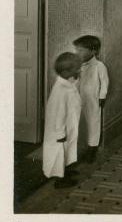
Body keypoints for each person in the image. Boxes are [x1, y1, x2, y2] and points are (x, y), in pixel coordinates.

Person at [43, 52, 82, 188]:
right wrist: (60, 134)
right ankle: (60, 180)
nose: (79, 71)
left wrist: (76, 78)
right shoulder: (60, 90)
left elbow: (73, 88)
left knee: (68, 149)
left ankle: (66, 169)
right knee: (59, 154)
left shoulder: (66, 83)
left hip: (68, 126)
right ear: (66, 72)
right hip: (59, 130)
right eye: (76, 69)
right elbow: (58, 114)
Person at [73, 35, 109, 164]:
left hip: (92, 100)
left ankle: (92, 149)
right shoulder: (77, 65)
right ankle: (80, 148)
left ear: (93, 51)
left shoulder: (99, 66)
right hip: (78, 99)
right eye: (76, 50)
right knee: (80, 123)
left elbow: (104, 82)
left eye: (80, 50)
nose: (77, 53)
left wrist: (102, 96)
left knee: (93, 122)